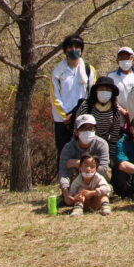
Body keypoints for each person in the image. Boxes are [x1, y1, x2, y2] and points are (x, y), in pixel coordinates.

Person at [50, 34, 97, 167]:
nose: (73, 49)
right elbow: (55, 96)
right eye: (70, 47)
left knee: (85, 151)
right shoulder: (57, 72)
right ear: (65, 50)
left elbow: (92, 94)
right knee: (64, 150)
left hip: (83, 116)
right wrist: (65, 116)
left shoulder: (89, 70)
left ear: (82, 49)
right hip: (62, 119)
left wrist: (81, 113)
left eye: (77, 47)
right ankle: (64, 182)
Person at [58, 115, 110, 205]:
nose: (87, 131)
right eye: (83, 129)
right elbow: (63, 172)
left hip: (97, 182)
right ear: (76, 132)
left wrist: (81, 164)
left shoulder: (102, 144)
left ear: (95, 130)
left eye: (90, 128)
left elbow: (104, 169)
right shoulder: (68, 148)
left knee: (108, 172)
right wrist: (66, 194)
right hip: (77, 184)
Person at [73, 76, 125, 149]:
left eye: (107, 89)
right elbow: (76, 127)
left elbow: (114, 135)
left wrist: (112, 154)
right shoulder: (86, 106)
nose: (104, 91)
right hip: (85, 144)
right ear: (96, 91)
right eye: (101, 89)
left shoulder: (115, 109)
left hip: (103, 146)